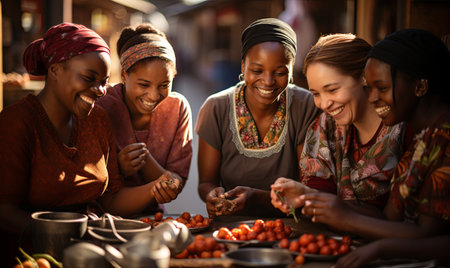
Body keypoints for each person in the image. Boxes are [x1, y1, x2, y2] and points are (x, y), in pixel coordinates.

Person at [0, 22, 174, 265]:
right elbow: (4, 211)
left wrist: (154, 190)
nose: (101, 90)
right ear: (55, 69)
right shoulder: (17, 122)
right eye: (89, 78)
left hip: (94, 253)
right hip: (35, 256)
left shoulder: (98, 120)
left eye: (103, 81)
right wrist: (70, 233)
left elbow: (110, 199)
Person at [334, 28, 450, 268]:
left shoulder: (445, 144)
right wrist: (321, 202)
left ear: (420, 87)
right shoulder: (421, 139)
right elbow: (391, 219)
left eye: (382, 88)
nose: (372, 97)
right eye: (369, 88)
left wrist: (378, 246)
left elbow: (427, 235)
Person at [271, 33, 409, 219]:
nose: (324, 104)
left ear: (364, 76)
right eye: (316, 93)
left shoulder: (403, 130)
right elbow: (319, 194)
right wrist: (303, 195)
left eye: (332, 90)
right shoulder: (325, 127)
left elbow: (402, 220)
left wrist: (328, 204)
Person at [195, 18, 321, 218]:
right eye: (257, 70)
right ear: (243, 66)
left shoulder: (305, 106)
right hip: (231, 227)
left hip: (292, 224)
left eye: (280, 72)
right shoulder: (215, 108)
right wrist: (213, 195)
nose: (268, 81)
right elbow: (206, 183)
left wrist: (258, 198)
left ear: (291, 71)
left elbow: (309, 187)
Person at [96, 23, 192, 213]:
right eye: (144, 84)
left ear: (174, 76)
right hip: (102, 220)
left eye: (164, 85)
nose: (154, 95)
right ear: (124, 75)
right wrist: (118, 168)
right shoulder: (102, 107)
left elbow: (175, 184)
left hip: (152, 218)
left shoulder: (177, 108)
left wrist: (145, 160)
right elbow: (95, 186)